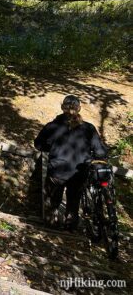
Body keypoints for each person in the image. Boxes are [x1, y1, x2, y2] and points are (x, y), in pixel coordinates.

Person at [34, 95, 107, 230]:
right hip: (79, 173)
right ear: (79, 109)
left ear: (63, 108)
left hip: (56, 171)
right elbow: (100, 152)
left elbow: (38, 145)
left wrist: (51, 148)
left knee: (52, 201)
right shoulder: (89, 128)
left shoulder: (52, 126)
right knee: (73, 202)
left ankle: (51, 227)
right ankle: (70, 228)